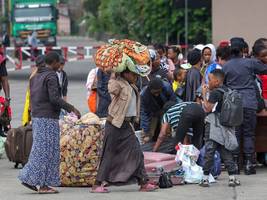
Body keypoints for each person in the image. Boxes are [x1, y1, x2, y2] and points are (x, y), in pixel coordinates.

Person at [18, 51, 81, 194]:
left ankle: (33, 179)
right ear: (53, 62)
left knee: (40, 150)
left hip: (37, 117)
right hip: (48, 118)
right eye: (59, 62)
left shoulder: (36, 75)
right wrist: (72, 108)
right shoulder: (51, 75)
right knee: (48, 152)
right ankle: (41, 184)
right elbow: (54, 98)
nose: (60, 65)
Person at [91, 69, 158, 193]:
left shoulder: (132, 86)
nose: (136, 77)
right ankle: (97, 184)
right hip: (115, 123)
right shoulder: (118, 83)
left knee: (137, 151)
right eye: (133, 74)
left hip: (126, 124)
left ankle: (143, 182)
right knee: (109, 153)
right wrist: (113, 74)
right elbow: (111, 89)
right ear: (125, 74)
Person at [223, 39, 267, 175]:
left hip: (233, 104)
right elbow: (264, 68)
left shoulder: (226, 66)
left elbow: (222, 84)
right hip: (249, 103)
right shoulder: (250, 63)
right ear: (243, 50)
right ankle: (249, 165)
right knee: (249, 134)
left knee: (235, 134)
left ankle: (235, 165)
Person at [200, 69, 240, 187]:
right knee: (225, 151)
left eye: (210, 79)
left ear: (217, 81)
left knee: (210, 151)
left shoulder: (216, 92)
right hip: (225, 126)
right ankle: (232, 178)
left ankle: (205, 179)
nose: (208, 82)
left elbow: (207, 108)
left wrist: (203, 93)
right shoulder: (228, 90)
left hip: (213, 126)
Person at [140, 78, 176, 143]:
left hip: (166, 110)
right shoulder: (144, 95)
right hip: (153, 112)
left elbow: (173, 101)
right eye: (154, 92)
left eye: (158, 92)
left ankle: (167, 144)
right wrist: (145, 129)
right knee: (149, 134)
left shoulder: (167, 87)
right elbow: (144, 113)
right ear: (150, 89)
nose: (156, 94)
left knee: (165, 132)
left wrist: (171, 119)